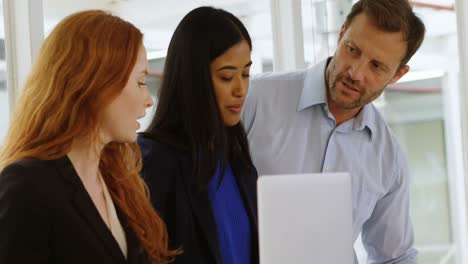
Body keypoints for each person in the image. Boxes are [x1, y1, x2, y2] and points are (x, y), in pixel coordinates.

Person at [241, 0, 425, 263]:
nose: (356, 72)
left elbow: (395, 257)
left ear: (397, 74)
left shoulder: (389, 158)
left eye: (377, 66)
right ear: (341, 34)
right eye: (352, 50)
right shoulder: (254, 100)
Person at [0, 10, 179, 264]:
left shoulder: (117, 181)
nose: (148, 100)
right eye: (140, 82)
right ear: (99, 82)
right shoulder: (27, 185)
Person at [138, 6, 258, 264]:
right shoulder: (154, 160)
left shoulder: (237, 156)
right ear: (194, 79)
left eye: (246, 73)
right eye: (227, 77)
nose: (241, 89)